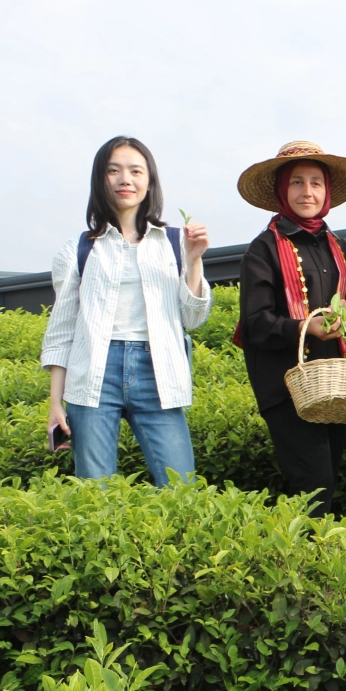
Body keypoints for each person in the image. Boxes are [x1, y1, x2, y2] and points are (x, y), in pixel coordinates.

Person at [41, 136, 212, 483]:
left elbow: (193, 318)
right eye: (114, 171)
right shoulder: (78, 249)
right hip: (93, 372)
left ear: (149, 181)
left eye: (136, 171)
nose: (125, 180)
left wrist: (194, 261)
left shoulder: (176, 242)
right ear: (100, 179)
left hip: (158, 371)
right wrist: (55, 403)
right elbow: (62, 330)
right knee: (95, 493)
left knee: (181, 486)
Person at [236, 141, 346, 513]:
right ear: (282, 190)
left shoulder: (342, 248)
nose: (307, 192)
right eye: (296, 182)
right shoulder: (262, 249)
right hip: (286, 389)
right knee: (314, 483)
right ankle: (313, 548)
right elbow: (255, 324)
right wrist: (306, 327)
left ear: (327, 191)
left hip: (336, 383)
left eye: (316, 183)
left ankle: (315, 546)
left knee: (325, 479)